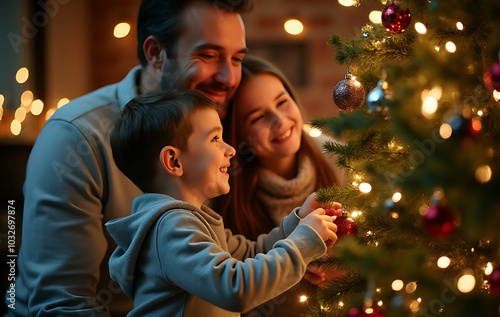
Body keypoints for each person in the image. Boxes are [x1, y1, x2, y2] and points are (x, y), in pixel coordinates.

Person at [7, 1, 251, 316]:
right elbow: (62, 306)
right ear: (155, 53)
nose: (229, 77)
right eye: (208, 55)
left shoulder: (224, 116)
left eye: (237, 59)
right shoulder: (76, 137)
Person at [106, 89, 341, 317]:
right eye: (215, 138)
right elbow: (236, 289)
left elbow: (252, 253)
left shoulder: (192, 220)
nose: (230, 149)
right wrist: (306, 240)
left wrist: (298, 222)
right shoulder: (171, 228)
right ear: (174, 160)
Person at [212, 55, 343, 316]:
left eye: (282, 102)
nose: (279, 120)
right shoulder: (222, 196)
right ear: (237, 137)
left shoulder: (338, 159)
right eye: (258, 117)